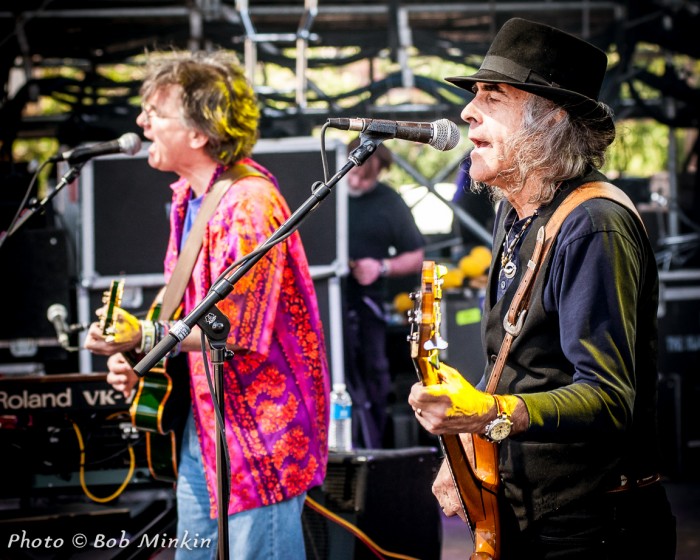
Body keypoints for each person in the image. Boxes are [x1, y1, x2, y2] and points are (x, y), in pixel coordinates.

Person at [408, 18, 676, 559]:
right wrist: (465, 443)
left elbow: (608, 397)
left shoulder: (593, 223)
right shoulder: (521, 215)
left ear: (549, 119)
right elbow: (514, 358)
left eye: (493, 95)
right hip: (537, 516)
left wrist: (488, 413)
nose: (466, 112)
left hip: (594, 527)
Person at [83, 50, 329, 560]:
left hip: (262, 436)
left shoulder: (249, 205)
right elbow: (183, 305)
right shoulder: (190, 196)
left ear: (199, 132)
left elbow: (234, 330)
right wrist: (135, 353)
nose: (141, 122)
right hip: (210, 421)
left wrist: (144, 338)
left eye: (156, 112)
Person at [344, 137, 425, 448]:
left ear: (380, 171)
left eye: (366, 176)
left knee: (375, 373)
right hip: (326, 302)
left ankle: (373, 445)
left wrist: (380, 267)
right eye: (354, 173)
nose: (357, 180)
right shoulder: (326, 194)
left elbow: (417, 255)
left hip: (369, 306)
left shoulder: (390, 201)